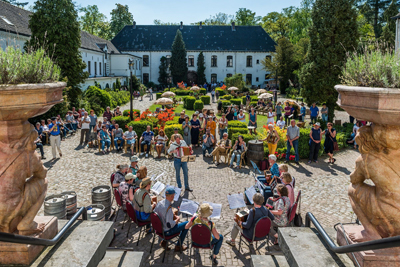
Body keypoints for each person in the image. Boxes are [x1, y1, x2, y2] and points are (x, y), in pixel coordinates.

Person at [154, 186, 188, 251]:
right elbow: (169, 225)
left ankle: (164, 242)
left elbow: (155, 213)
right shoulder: (168, 209)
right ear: (172, 196)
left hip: (159, 229)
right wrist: (177, 220)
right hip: (167, 231)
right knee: (187, 224)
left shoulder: (159, 203)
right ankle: (178, 246)